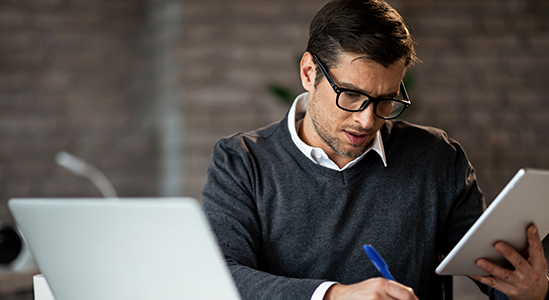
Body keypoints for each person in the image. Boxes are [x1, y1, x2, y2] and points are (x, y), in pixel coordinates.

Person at [201, 0, 549, 299]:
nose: (367, 121)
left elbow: (498, 279)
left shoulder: (437, 159)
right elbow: (220, 276)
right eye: (351, 95)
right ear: (309, 73)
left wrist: (534, 291)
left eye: (385, 101)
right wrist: (336, 294)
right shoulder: (241, 161)